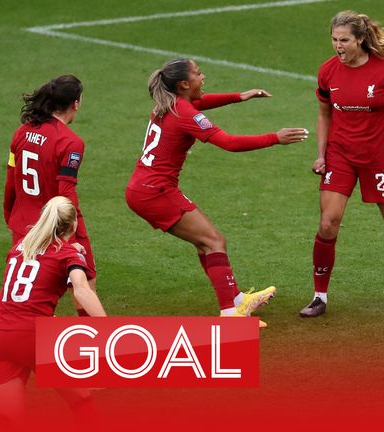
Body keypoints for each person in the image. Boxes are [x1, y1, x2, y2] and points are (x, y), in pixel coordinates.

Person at [125, 58, 309, 328]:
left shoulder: (169, 104)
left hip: (143, 188)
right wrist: (274, 138)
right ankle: (230, 315)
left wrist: (239, 97)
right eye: (199, 74)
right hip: (156, 192)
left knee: (207, 242)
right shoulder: (184, 112)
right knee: (214, 242)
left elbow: (200, 102)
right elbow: (229, 143)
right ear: (184, 84)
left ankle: (235, 301)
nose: (204, 77)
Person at [300, 10, 384, 318]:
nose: (338, 46)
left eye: (345, 40)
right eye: (334, 40)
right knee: (327, 223)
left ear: (360, 39)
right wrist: (321, 154)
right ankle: (319, 296)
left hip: (380, 158)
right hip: (341, 155)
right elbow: (324, 114)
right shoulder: (327, 71)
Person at [0, 196, 107, 429]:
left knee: (8, 422)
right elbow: (82, 291)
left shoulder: (19, 248)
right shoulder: (68, 255)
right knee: (82, 402)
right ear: (74, 225)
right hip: (35, 337)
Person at [3, 75, 96, 317]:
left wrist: (12, 218)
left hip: (24, 226)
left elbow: (11, 182)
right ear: (75, 103)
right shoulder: (70, 142)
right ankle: (94, 346)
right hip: (60, 224)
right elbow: (66, 191)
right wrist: (71, 236)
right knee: (83, 285)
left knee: (30, 292)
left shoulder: (21, 133)